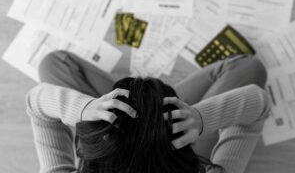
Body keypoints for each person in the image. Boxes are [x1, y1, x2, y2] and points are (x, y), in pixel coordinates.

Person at [26, 50, 271, 173]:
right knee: (250, 67)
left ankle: (145, 110)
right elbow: (259, 104)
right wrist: (202, 118)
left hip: (139, 137)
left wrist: (84, 108)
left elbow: (36, 105)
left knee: (53, 64)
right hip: (174, 135)